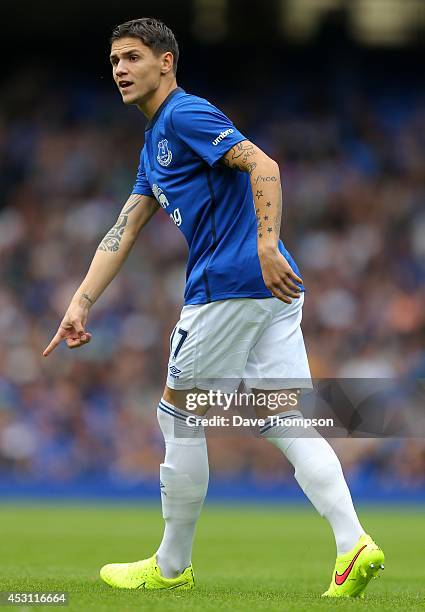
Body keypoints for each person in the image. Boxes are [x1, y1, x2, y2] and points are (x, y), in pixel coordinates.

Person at [43, 17, 384, 597]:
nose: (119, 70)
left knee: (177, 411)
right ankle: (353, 544)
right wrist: (80, 302)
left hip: (229, 285)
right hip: (270, 290)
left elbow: (265, 165)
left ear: (166, 61)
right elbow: (124, 229)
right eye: (114, 61)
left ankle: (171, 566)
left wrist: (266, 242)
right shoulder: (155, 144)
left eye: (131, 58)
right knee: (281, 415)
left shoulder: (186, 114)